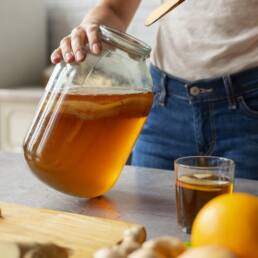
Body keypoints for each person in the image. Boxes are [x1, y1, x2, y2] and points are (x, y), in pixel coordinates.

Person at [51, 0, 258, 180]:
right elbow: (114, 8)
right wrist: (92, 27)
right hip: (164, 110)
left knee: (242, 224)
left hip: (249, 111)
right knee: (148, 222)